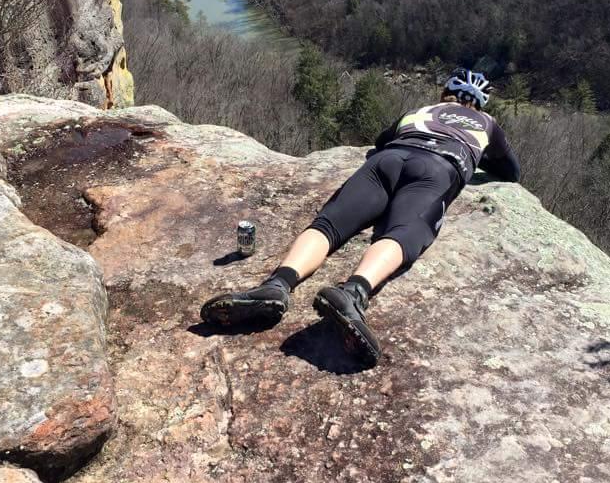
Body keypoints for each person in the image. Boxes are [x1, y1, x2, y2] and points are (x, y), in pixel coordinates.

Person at [200, 69, 520, 367]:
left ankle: (277, 285)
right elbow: (510, 171)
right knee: (402, 233)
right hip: (437, 168)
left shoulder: (420, 111)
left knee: (328, 225)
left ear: (444, 94)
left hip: (388, 160)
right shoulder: (487, 124)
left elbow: (381, 140)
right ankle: (353, 292)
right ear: (480, 103)